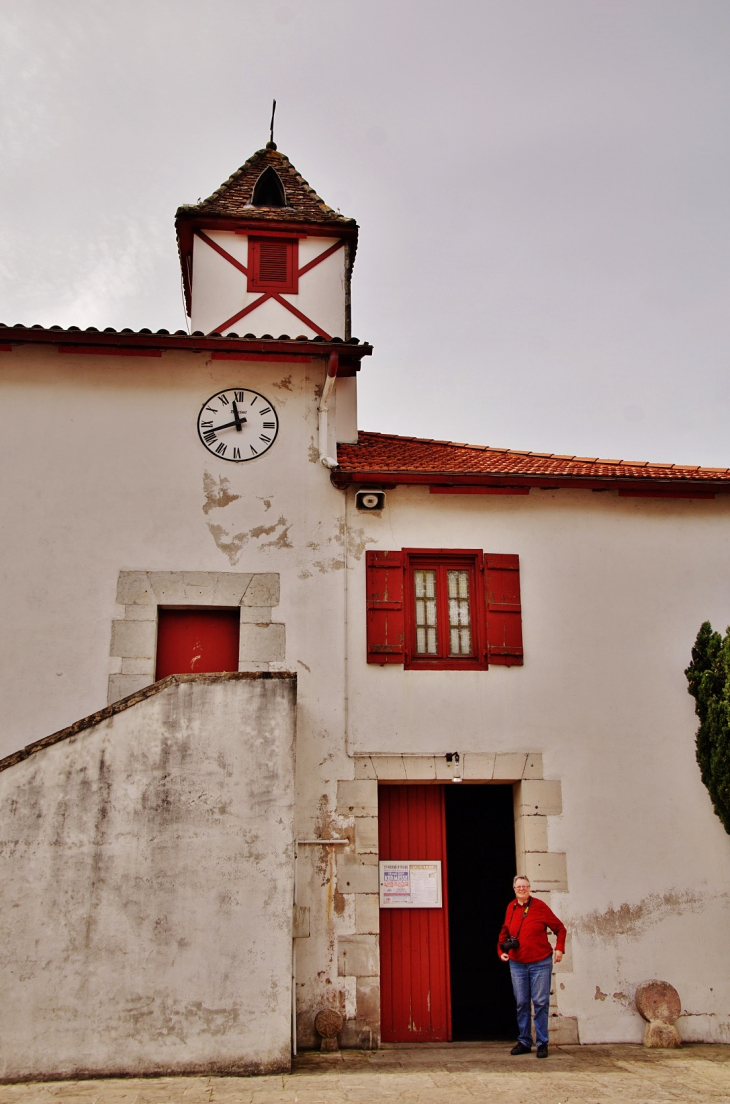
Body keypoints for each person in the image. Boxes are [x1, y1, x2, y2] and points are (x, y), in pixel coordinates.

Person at [498, 874, 566, 1059]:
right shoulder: (510, 907)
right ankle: (524, 1041)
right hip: (517, 963)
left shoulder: (540, 907)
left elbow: (560, 928)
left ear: (530, 888)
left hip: (540, 962)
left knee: (541, 1002)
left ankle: (542, 1043)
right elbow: (504, 931)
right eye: (518, 886)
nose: (521, 889)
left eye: (525, 886)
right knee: (521, 1003)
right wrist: (501, 950)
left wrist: (559, 948)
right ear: (514, 889)